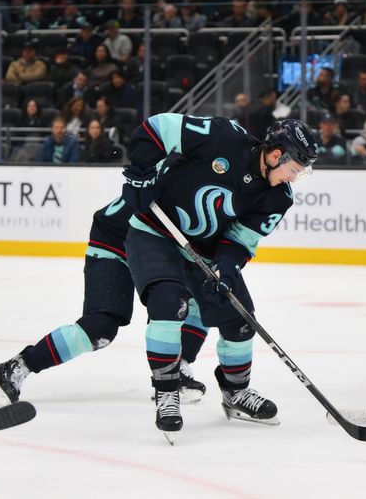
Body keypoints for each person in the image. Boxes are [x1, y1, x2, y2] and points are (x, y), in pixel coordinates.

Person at [121, 115, 318, 438]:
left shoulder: (277, 198)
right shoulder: (222, 137)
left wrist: (227, 267)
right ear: (275, 154)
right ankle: (167, 392)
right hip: (155, 233)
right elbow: (155, 129)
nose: (292, 179)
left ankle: (236, 392)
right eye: (293, 169)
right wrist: (142, 174)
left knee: (241, 320)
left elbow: (240, 240)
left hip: (205, 253)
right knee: (169, 304)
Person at [0, 197, 210, 405]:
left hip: (159, 248)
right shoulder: (184, 170)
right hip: (114, 242)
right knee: (99, 329)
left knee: (202, 299)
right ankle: (15, 368)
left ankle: (175, 369)